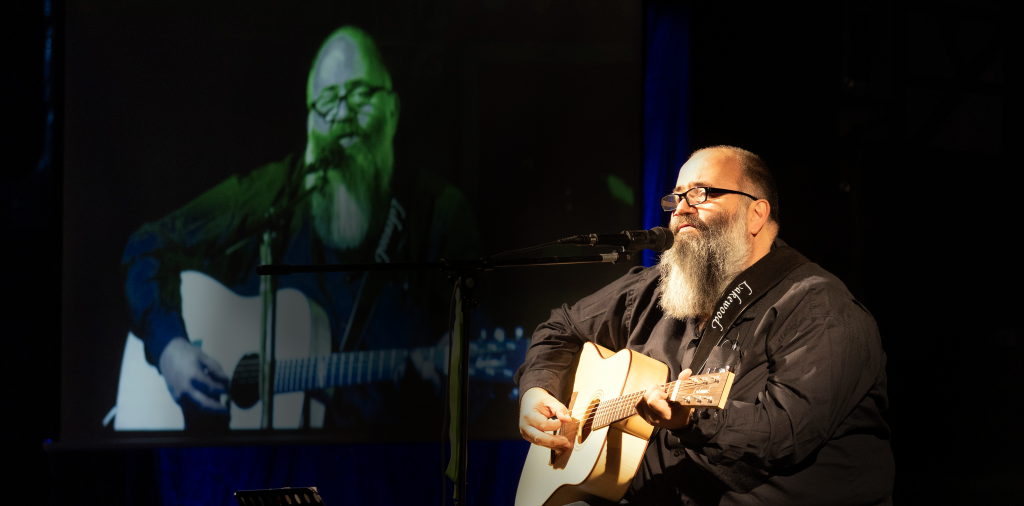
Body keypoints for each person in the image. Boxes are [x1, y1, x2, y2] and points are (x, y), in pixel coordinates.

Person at [122, 26, 479, 430]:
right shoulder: (270, 197)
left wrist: (444, 379)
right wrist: (170, 347)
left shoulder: (441, 215)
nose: (343, 113)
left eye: (361, 94)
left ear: (393, 109)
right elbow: (147, 245)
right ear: (310, 119)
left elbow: (473, 367)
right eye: (328, 99)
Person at [515, 146, 893, 505]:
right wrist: (537, 391)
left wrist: (692, 420)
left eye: (701, 194)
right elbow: (560, 327)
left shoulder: (820, 308)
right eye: (676, 197)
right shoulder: (653, 288)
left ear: (756, 214)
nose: (681, 209)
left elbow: (786, 434)